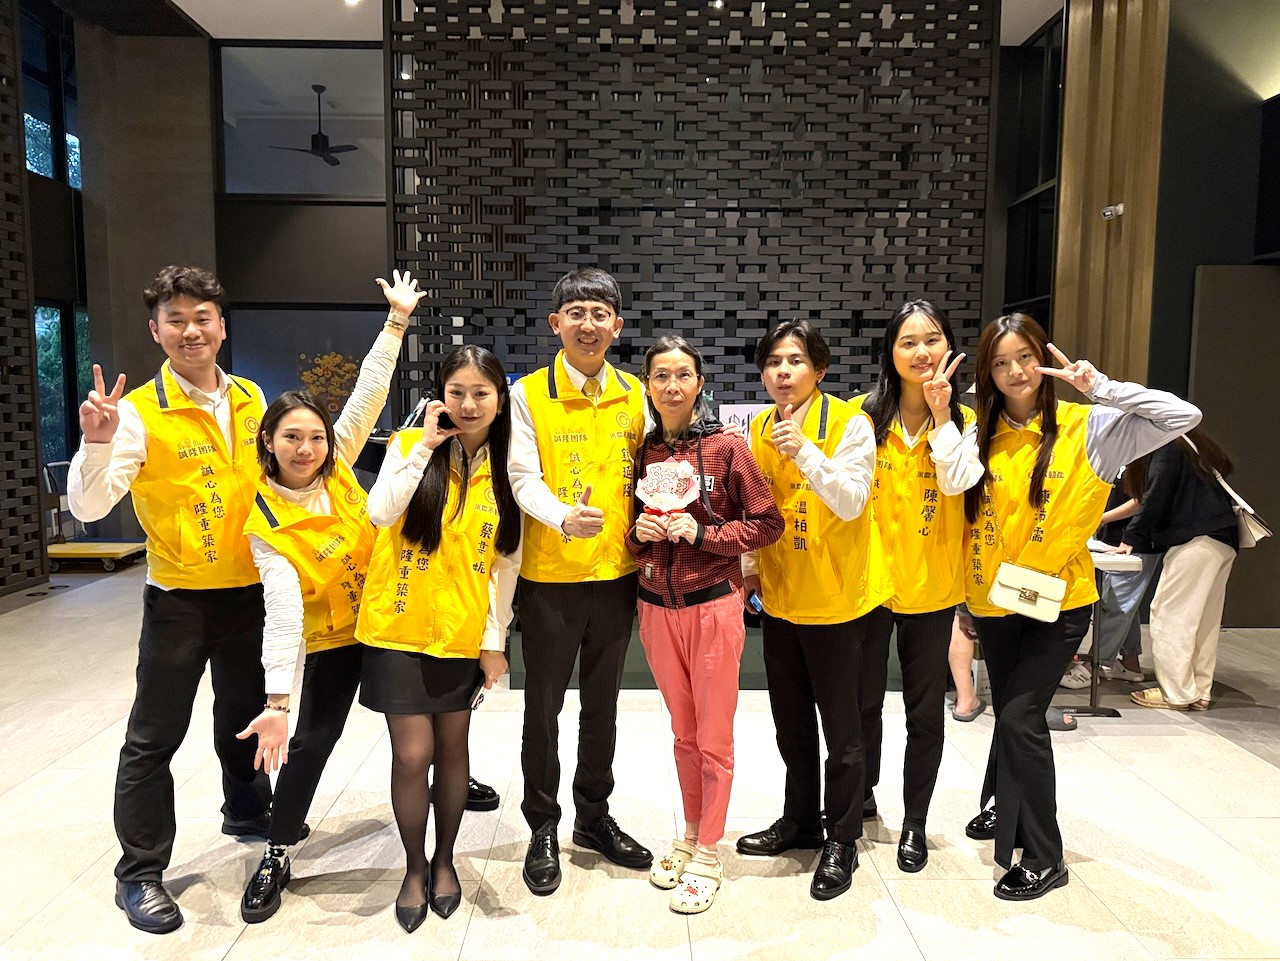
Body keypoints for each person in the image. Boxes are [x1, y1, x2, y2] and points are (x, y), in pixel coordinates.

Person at [960, 313, 1199, 901]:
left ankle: (1045, 857)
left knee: (1020, 716)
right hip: (995, 597)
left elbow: (1183, 416)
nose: (1016, 371)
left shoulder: (1091, 426)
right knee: (1009, 707)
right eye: (1000, 362)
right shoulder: (978, 431)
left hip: (1057, 601)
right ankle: (1001, 803)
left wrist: (1101, 387)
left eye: (1025, 357)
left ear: (1044, 359)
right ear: (988, 373)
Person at [68, 266, 277, 934]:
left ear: (222, 325)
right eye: (176, 320)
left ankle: (247, 810)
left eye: (202, 318)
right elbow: (89, 508)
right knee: (154, 736)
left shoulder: (250, 396)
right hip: (180, 599)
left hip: (249, 592)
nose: (191, 331)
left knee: (243, 716)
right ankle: (139, 872)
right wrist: (97, 443)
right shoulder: (134, 413)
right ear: (155, 330)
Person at [231, 270, 422, 923]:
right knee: (311, 741)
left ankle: (457, 780)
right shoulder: (265, 521)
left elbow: (368, 393)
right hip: (336, 638)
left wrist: (396, 322)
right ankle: (277, 851)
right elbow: (284, 615)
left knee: (431, 714)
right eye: (292, 437)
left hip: (388, 615)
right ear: (268, 441)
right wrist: (277, 701)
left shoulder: (337, 463)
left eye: (315, 436)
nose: (307, 448)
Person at [358, 345, 519, 931]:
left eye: (481, 393)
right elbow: (380, 513)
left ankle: (445, 860)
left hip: (461, 633)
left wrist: (493, 640)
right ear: (439, 396)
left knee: (454, 750)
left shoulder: (509, 467)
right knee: (412, 753)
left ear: (499, 400)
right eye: (457, 392)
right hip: (396, 626)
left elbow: (505, 564)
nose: (469, 404)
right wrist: (425, 446)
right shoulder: (409, 446)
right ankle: (413, 866)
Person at [624, 336, 783, 914]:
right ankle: (690, 833)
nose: (672, 386)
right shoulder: (642, 453)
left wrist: (704, 534)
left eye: (683, 375)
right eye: (661, 376)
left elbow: (767, 523)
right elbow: (626, 532)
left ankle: (710, 851)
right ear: (648, 385)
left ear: (699, 383)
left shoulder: (727, 447)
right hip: (655, 607)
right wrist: (637, 536)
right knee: (683, 732)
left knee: (714, 736)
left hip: (714, 604)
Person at [508, 267, 653, 896]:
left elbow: (653, 470)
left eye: (599, 314)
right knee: (542, 707)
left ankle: (593, 817)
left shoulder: (636, 394)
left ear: (616, 326)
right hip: (550, 576)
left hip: (617, 575)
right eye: (576, 313)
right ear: (555, 323)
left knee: (603, 705)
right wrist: (561, 516)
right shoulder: (527, 394)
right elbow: (521, 476)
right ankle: (542, 825)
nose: (587, 324)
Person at [736, 320, 890, 902]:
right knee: (791, 723)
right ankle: (800, 821)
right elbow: (754, 507)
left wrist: (803, 451)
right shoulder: (757, 427)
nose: (783, 372)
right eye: (773, 362)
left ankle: (842, 837)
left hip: (840, 602)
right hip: (782, 598)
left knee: (843, 731)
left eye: (795, 360)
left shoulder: (851, 424)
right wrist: (750, 566)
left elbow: (851, 502)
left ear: (819, 370)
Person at [852, 300, 983, 873]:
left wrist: (942, 414)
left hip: (932, 589)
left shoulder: (967, 422)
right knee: (862, 705)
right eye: (908, 342)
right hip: (870, 586)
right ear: (890, 353)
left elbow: (958, 484)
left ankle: (915, 821)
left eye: (932, 340)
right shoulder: (863, 416)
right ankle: (861, 797)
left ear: (949, 347)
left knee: (925, 712)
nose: (922, 352)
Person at [1126, 430, 1239, 711]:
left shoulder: (1166, 445)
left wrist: (1131, 537)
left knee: (1170, 614)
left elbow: (1157, 492)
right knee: (1204, 620)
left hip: (1194, 538)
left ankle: (1176, 693)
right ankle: (1199, 691)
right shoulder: (1191, 443)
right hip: (1222, 536)